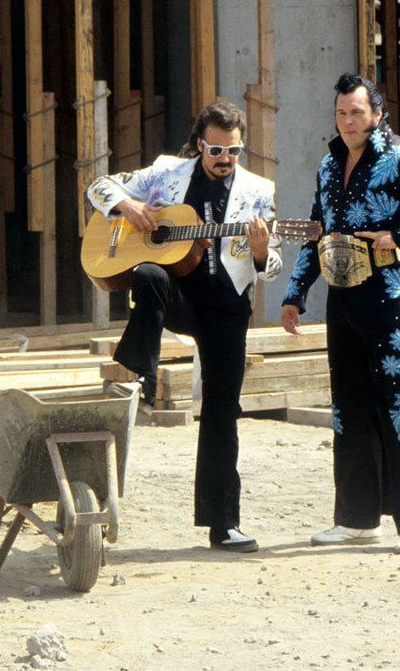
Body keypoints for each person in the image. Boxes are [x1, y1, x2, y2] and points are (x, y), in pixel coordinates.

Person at [280, 73, 400, 554]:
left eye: (357, 113)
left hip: (390, 294)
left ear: (378, 114)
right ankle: (356, 518)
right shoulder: (329, 164)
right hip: (341, 298)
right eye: (341, 113)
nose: (348, 122)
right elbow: (316, 230)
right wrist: (295, 292)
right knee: (349, 407)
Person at [86, 102, 282, 553]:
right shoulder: (166, 174)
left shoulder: (257, 191)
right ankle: (144, 373)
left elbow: (271, 268)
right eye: (216, 149)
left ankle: (223, 523)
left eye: (233, 150)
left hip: (226, 306)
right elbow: (98, 186)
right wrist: (127, 204)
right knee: (150, 274)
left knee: (221, 410)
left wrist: (258, 251)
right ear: (200, 144)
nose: (224, 159)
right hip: (178, 296)